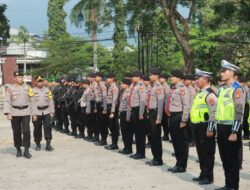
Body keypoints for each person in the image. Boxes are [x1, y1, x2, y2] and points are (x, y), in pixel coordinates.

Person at [215, 60, 245, 190]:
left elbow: (239, 112)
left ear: (232, 72)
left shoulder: (237, 89)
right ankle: (228, 184)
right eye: (221, 71)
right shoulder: (222, 90)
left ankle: (233, 186)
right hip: (221, 127)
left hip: (232, 128)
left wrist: (234, 131)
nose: (221, 73)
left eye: (224, 71)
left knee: (232, 159)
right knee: (224, 158)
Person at [190, 69, 217, 185]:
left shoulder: (210, 94)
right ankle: (203, 173)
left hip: (206, 126)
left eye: (198, 78)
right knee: (201, 152)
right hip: (198, 126)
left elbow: (213, 112)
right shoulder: (200, 93)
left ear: (205, 80)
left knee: (207, 152)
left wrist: (211, 128)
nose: (196, 80)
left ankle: (208, 176)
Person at [3, 71, 33, 158]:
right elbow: (7, 101)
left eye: (21, 77)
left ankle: (26, 150)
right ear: (14, 79)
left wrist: (34, 112)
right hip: (15, 112)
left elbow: (32, 100)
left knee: (26, 131)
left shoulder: (28, 87)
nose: (20, 79)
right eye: (19, 77)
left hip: (26, 112)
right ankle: (18, 149)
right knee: (16, 132)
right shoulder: (10, 88)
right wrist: (8, 113)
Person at [167, 70, 190, 173]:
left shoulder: (182, 89)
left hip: (179, 116)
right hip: (172, 116)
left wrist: (184, 120)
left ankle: (182, 165)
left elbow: (186, 105)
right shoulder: (174, 89)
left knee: (181, 142)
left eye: (173, 77)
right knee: (175, 141)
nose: (171, 78)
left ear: (179, 78)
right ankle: (178, 163)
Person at [145, 68, 164, 166]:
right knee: (151, 136)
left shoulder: (158, 87)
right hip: (150, 113)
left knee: (156, 137)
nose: (150, 76)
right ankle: (154, 157)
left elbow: (160, 103)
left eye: (151, 75)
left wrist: (159, 118)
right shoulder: (152, 86)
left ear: (156, 75)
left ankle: (158, 159)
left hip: (155, 113)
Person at [31, 76, 55, 151]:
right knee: (37, 129)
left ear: (43, 81)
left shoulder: (48, 90)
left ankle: (48, 144)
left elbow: (51, 101)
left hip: (47, 111)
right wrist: (33, 114)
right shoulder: (32, 90)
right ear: (35, 82)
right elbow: (31, 102)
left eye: (41, 81)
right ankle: (38, 144)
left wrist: (52, 112)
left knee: (48, 127)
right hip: (36, 112)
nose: (40, 82)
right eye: (38, 81)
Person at [128, 71, 147, 159]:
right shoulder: (134, 86)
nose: (132, 78)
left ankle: (141, 153)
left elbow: (142, 101)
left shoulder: (141, 86)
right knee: (136, 132)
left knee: (140, 133)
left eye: (134, 76)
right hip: (134, 110)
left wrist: (141, 113)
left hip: (139, 110)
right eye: (132, 76)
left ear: (139, 77)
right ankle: (138, 151)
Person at [105, 74, 120, 150]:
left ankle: (115, 144)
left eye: (108, 78)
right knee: (111, 126)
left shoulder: (114, 87)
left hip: (112, 108)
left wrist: (112, 111)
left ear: (113, 78)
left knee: (114, 126)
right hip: (109, 107)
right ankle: (113, 143)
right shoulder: (110, 86)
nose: (107, 79)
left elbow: (114, 100)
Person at [118, 78, 133, 154]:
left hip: (126, 114)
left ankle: (128, 148)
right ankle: (125, 147)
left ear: (126, 84)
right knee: (124, 132)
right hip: (122, 113)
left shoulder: (129, 92)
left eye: (122, 83)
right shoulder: (124, 91)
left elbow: (129, 105)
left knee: (127, 132)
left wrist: (128, 116)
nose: (121, 84)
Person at [94, 72, 109, 146]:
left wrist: (105, 108)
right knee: (99, 123)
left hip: (102, 105)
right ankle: (102, 139)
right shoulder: (98, 85)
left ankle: (104, 140)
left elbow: (104, 97)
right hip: (98, 105)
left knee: (103, 124)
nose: (95, 78)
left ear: (100, 77)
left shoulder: (102, 85)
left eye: (96, 77)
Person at [160, 74, 171, 141]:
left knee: (165, 122)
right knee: (163, 122)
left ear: (165, 79)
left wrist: (166, 107)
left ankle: (166, 135)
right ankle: (165, 134)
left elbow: (167, 97)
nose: (160, 79)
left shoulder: (166, 86)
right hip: (162, 104)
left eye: (162, 78)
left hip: (165, 104)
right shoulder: (162, 86)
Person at [143, 75, 152, 148]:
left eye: (144, 80)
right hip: (145, 108)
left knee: (149, 127)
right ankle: (149, 141)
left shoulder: (150, 88)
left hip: (148, 108)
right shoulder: (145, 87)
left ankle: (150, 142)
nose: (143, 82)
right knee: (146, 127)